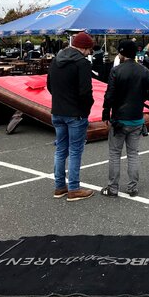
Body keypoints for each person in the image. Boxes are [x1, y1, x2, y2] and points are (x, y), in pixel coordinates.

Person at [101, 40, 149, 198]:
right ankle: (132, 187)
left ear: (121, 52)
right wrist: (141, 97)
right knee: (133, 154)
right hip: (137, 119)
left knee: (114, 153)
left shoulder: (116, 71)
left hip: (119, 119)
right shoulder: (144, 70)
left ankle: (112, 188)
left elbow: (110, 95)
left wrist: (106, 113)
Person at [46, 32, 95, 202]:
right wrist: (86, 109)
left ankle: (60, 187)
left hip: (57, 110)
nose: (90, 53)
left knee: (60, 149)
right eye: (89, 49)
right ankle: (73, 188)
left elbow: (49, 86)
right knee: (75, 151)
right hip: (76, 113)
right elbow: (85, 91)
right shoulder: (82, 63)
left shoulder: (56, 60)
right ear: (84, 47)